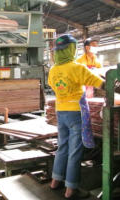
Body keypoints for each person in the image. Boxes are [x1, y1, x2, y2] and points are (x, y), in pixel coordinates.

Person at [48, 34, 105, 199]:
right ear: (71, 49)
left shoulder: (53, 69)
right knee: (75, 150)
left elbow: (53, 85)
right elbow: (101, 83)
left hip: (61, 110)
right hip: (75, 112)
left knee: (62, 146)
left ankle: (55, 180)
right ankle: (71, 188)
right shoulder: (77, 67)